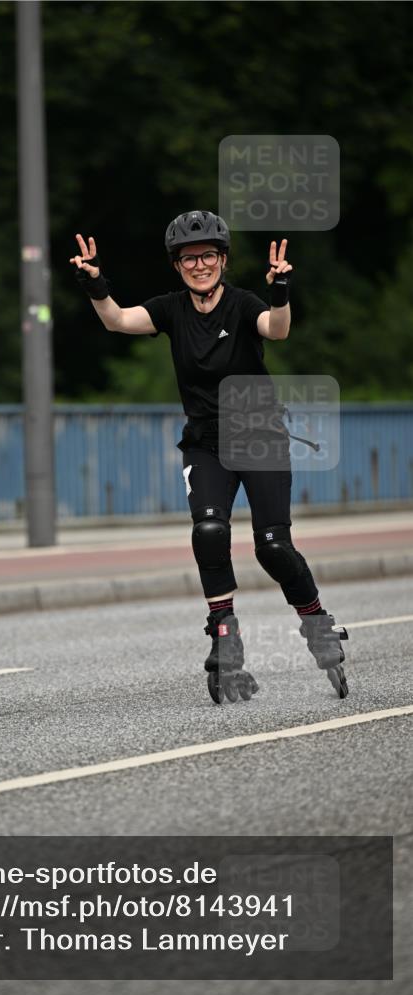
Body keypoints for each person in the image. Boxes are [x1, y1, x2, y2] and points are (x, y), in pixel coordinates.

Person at [70, 210, 349, 704]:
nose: (199, 265)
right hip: (206, 443)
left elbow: (276, 329)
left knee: (273, 548)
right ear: (177, 266)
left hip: (259, 437)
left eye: (208, 256)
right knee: (210, 530)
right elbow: (117, 320)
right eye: (188, 258)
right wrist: (95, 283)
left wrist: (280, 290)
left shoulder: (242, 304)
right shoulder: (172, 309)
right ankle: (224, 629)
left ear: (222, 259)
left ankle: (316, 621)